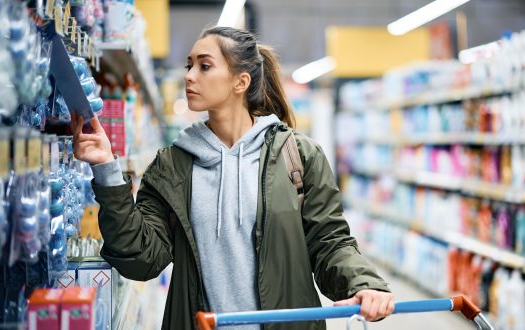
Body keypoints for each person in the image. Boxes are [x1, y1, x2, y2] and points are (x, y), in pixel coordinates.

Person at [71, 26, 394, 330]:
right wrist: (107, 171)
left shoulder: (298, 155)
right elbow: (140, 260)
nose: (189, 76)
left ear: (240, 82)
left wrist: (364, 283)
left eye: (204, 66)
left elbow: (329, 242)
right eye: (189, 65)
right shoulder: (171, 166)